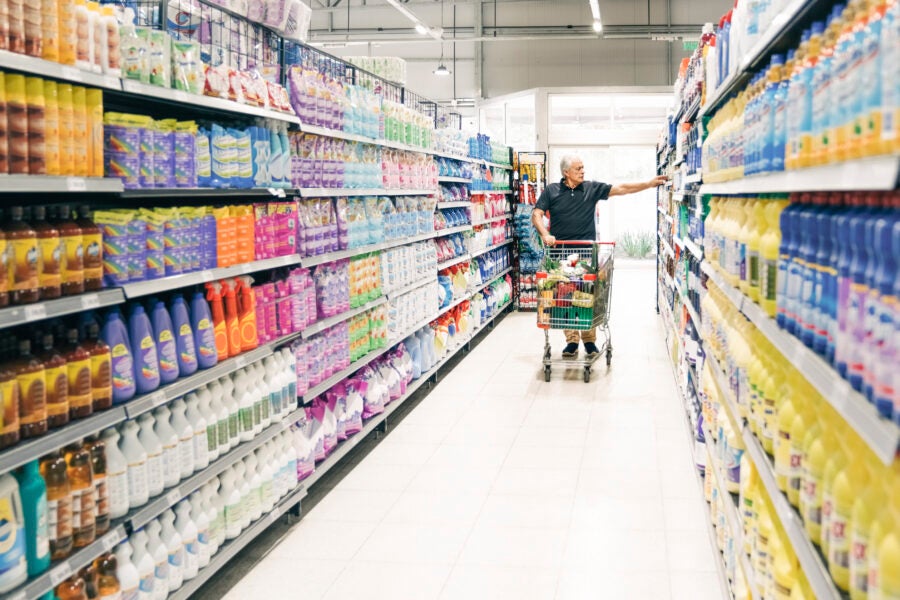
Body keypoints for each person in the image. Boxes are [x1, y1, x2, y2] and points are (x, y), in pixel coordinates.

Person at [532, 154, 668, 359]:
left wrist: (649, 184)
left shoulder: (591, 188)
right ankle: (571, 341)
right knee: (564, 297)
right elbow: (536, 214)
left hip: (586, 254)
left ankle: (588, 340)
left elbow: (621, 188)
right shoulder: (551, 191)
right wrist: (545, 234)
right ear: (566, 172)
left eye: (583, 167)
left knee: (586, 296)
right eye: (578, 168)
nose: (582, 171)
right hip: (559, 254)